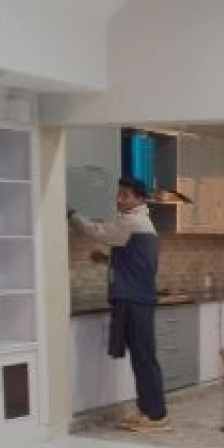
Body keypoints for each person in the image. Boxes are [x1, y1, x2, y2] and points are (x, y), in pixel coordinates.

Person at [68, 177, 170, 432]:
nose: (119, 199)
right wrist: (107, 259)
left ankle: (157, 416)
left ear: (139, 198)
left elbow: (96, 231)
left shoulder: (130, 222)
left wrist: (71, 214)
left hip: (135, 301)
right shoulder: (142, 222)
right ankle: (147, 410)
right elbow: (134, 262)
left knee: (144, 359)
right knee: (142, 358)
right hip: (139, 299)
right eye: (118, 193)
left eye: (125, 195)